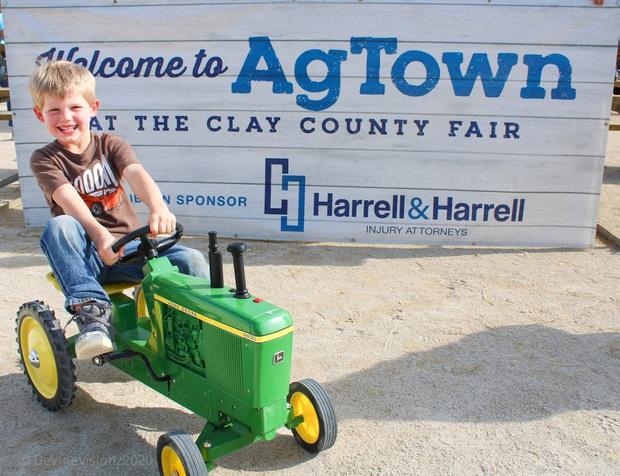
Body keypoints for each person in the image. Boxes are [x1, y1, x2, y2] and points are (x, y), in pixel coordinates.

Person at [29, 60, 209, 360]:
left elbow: (137, 174)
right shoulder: (45, 159)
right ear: (40, 114)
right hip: (87, 257)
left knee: (191, 259)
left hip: (130, 249)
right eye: (54, 110)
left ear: (93, 107)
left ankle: (196, 329)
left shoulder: (110, 144)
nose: (66, 117)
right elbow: (68, 198)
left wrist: (158, 207)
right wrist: (100, 236)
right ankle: (92, 316)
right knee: (59, 227)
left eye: (75, 108)